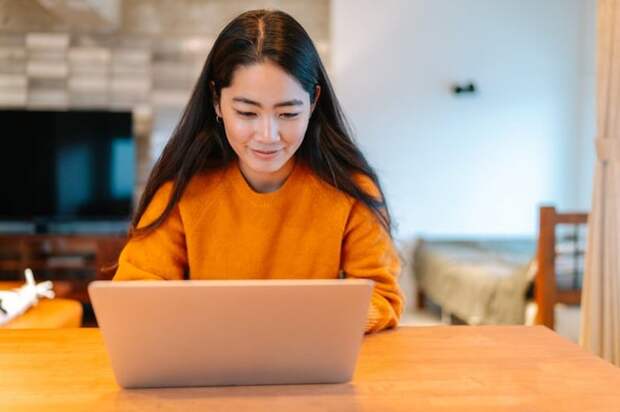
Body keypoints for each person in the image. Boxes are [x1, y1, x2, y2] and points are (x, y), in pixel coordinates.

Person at [113, 9, 404, 333]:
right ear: (216, 102)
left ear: (313, 102)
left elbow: (381, 296)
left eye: (288, 113)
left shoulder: (349, 190)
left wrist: (307, 324)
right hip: (209, 369)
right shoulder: (183, 190)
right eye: (247, 112)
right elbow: (134, 292)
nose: (267, 135)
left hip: (308, 368)